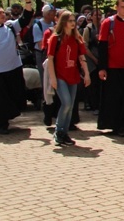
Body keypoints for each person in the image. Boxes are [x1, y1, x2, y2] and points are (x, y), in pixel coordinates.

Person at [0, 0, 34, 134]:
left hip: (13, 68)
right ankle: (2, 125)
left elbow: (26, 18)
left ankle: (9, 117)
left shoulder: (11, 26)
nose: (3, 15)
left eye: (3, 13)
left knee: (16, 95)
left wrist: (28, 1)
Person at [97, 0, 124, 137]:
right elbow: (102, 46)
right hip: (112, 66)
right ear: (116, 7)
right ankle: (114, 125)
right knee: (114, 97)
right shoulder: (107, 23)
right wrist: (102, 68)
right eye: (122, 7)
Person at [46, 10, 91, 146]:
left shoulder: (77, 38)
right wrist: (52, 78)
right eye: (70, 21)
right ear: (64, 22)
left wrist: (87, 73)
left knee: (70, 106)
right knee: (65, 103)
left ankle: (64, 133)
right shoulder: (55, 38)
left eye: (74, 20)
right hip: (60, 76)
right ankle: (59, 131)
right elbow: (50, 58)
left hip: (73, 75)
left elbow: (81, 57)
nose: (73, 23)